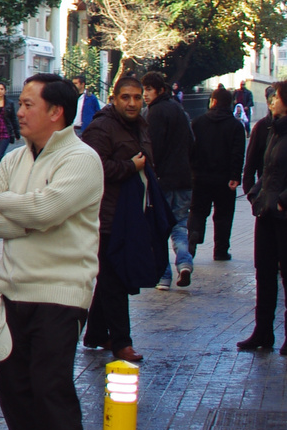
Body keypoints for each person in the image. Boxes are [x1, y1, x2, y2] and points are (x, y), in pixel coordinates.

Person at [0, 73, 103, 430]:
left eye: (29, 104)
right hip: (11, 293)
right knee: (16, 395)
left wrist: (13, 204)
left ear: (56, 112)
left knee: (51, 392)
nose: (20, 111)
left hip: (60, 295)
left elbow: (48, 209)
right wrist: (29, 218)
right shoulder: (14, 158)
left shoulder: (82, 159)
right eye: (21, 103)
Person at [79, 73, 153, 362]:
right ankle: (122, 342)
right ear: (114, 99)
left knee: (111, 278)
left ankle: (97, 333)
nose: (132, 103)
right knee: (115, 279)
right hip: (106, 216)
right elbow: (93, 168)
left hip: (127, 213)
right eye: (126, 97)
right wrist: (129, 167)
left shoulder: (138, 125)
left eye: (137, 97)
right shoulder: (102, 127)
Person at [238, 83, 287, 352]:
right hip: (266, 212)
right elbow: (265, 170)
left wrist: (282, 200)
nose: (272, 101)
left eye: (276, 98)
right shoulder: (272, 130)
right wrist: (256, 193)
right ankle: (263, 332)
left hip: (282, 213)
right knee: (264, 273)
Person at [142, 71, 195, 288]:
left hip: (162, 180)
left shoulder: (154, 113)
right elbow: (191, 142)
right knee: (180, 225)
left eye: (148, 89)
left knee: (159, 228)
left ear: (160, 90)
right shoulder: (179, 109)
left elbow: (153, 148)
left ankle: (163, 276)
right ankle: (184, 263)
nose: (145, 94)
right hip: (183, 179)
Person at [189, 85, 246, 262]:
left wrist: (191, 171)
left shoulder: (198, 123)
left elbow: (190, 149)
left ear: (213, 102)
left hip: (200, 177)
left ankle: (194, 235)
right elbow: (238, 153)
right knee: (224, 215)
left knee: (197, 211)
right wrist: (235, 176)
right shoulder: (236, 126)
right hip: (225, 179)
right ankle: (221, 250)